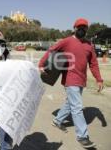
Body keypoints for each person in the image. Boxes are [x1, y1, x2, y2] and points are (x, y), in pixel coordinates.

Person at [38, 18, 104, 149]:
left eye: (84, 27)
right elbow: (52, 50)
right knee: (77, 107)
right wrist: (41, 64)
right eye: (79, 27)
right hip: (70, 80)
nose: (81, 29)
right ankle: (83, 136)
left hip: (81, 80)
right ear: (74, 28)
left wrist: (99, 79)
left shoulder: (88, 45)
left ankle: (57, 121)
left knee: (71, 103)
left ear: (87, 29)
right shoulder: (67, 41)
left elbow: (93, 64)